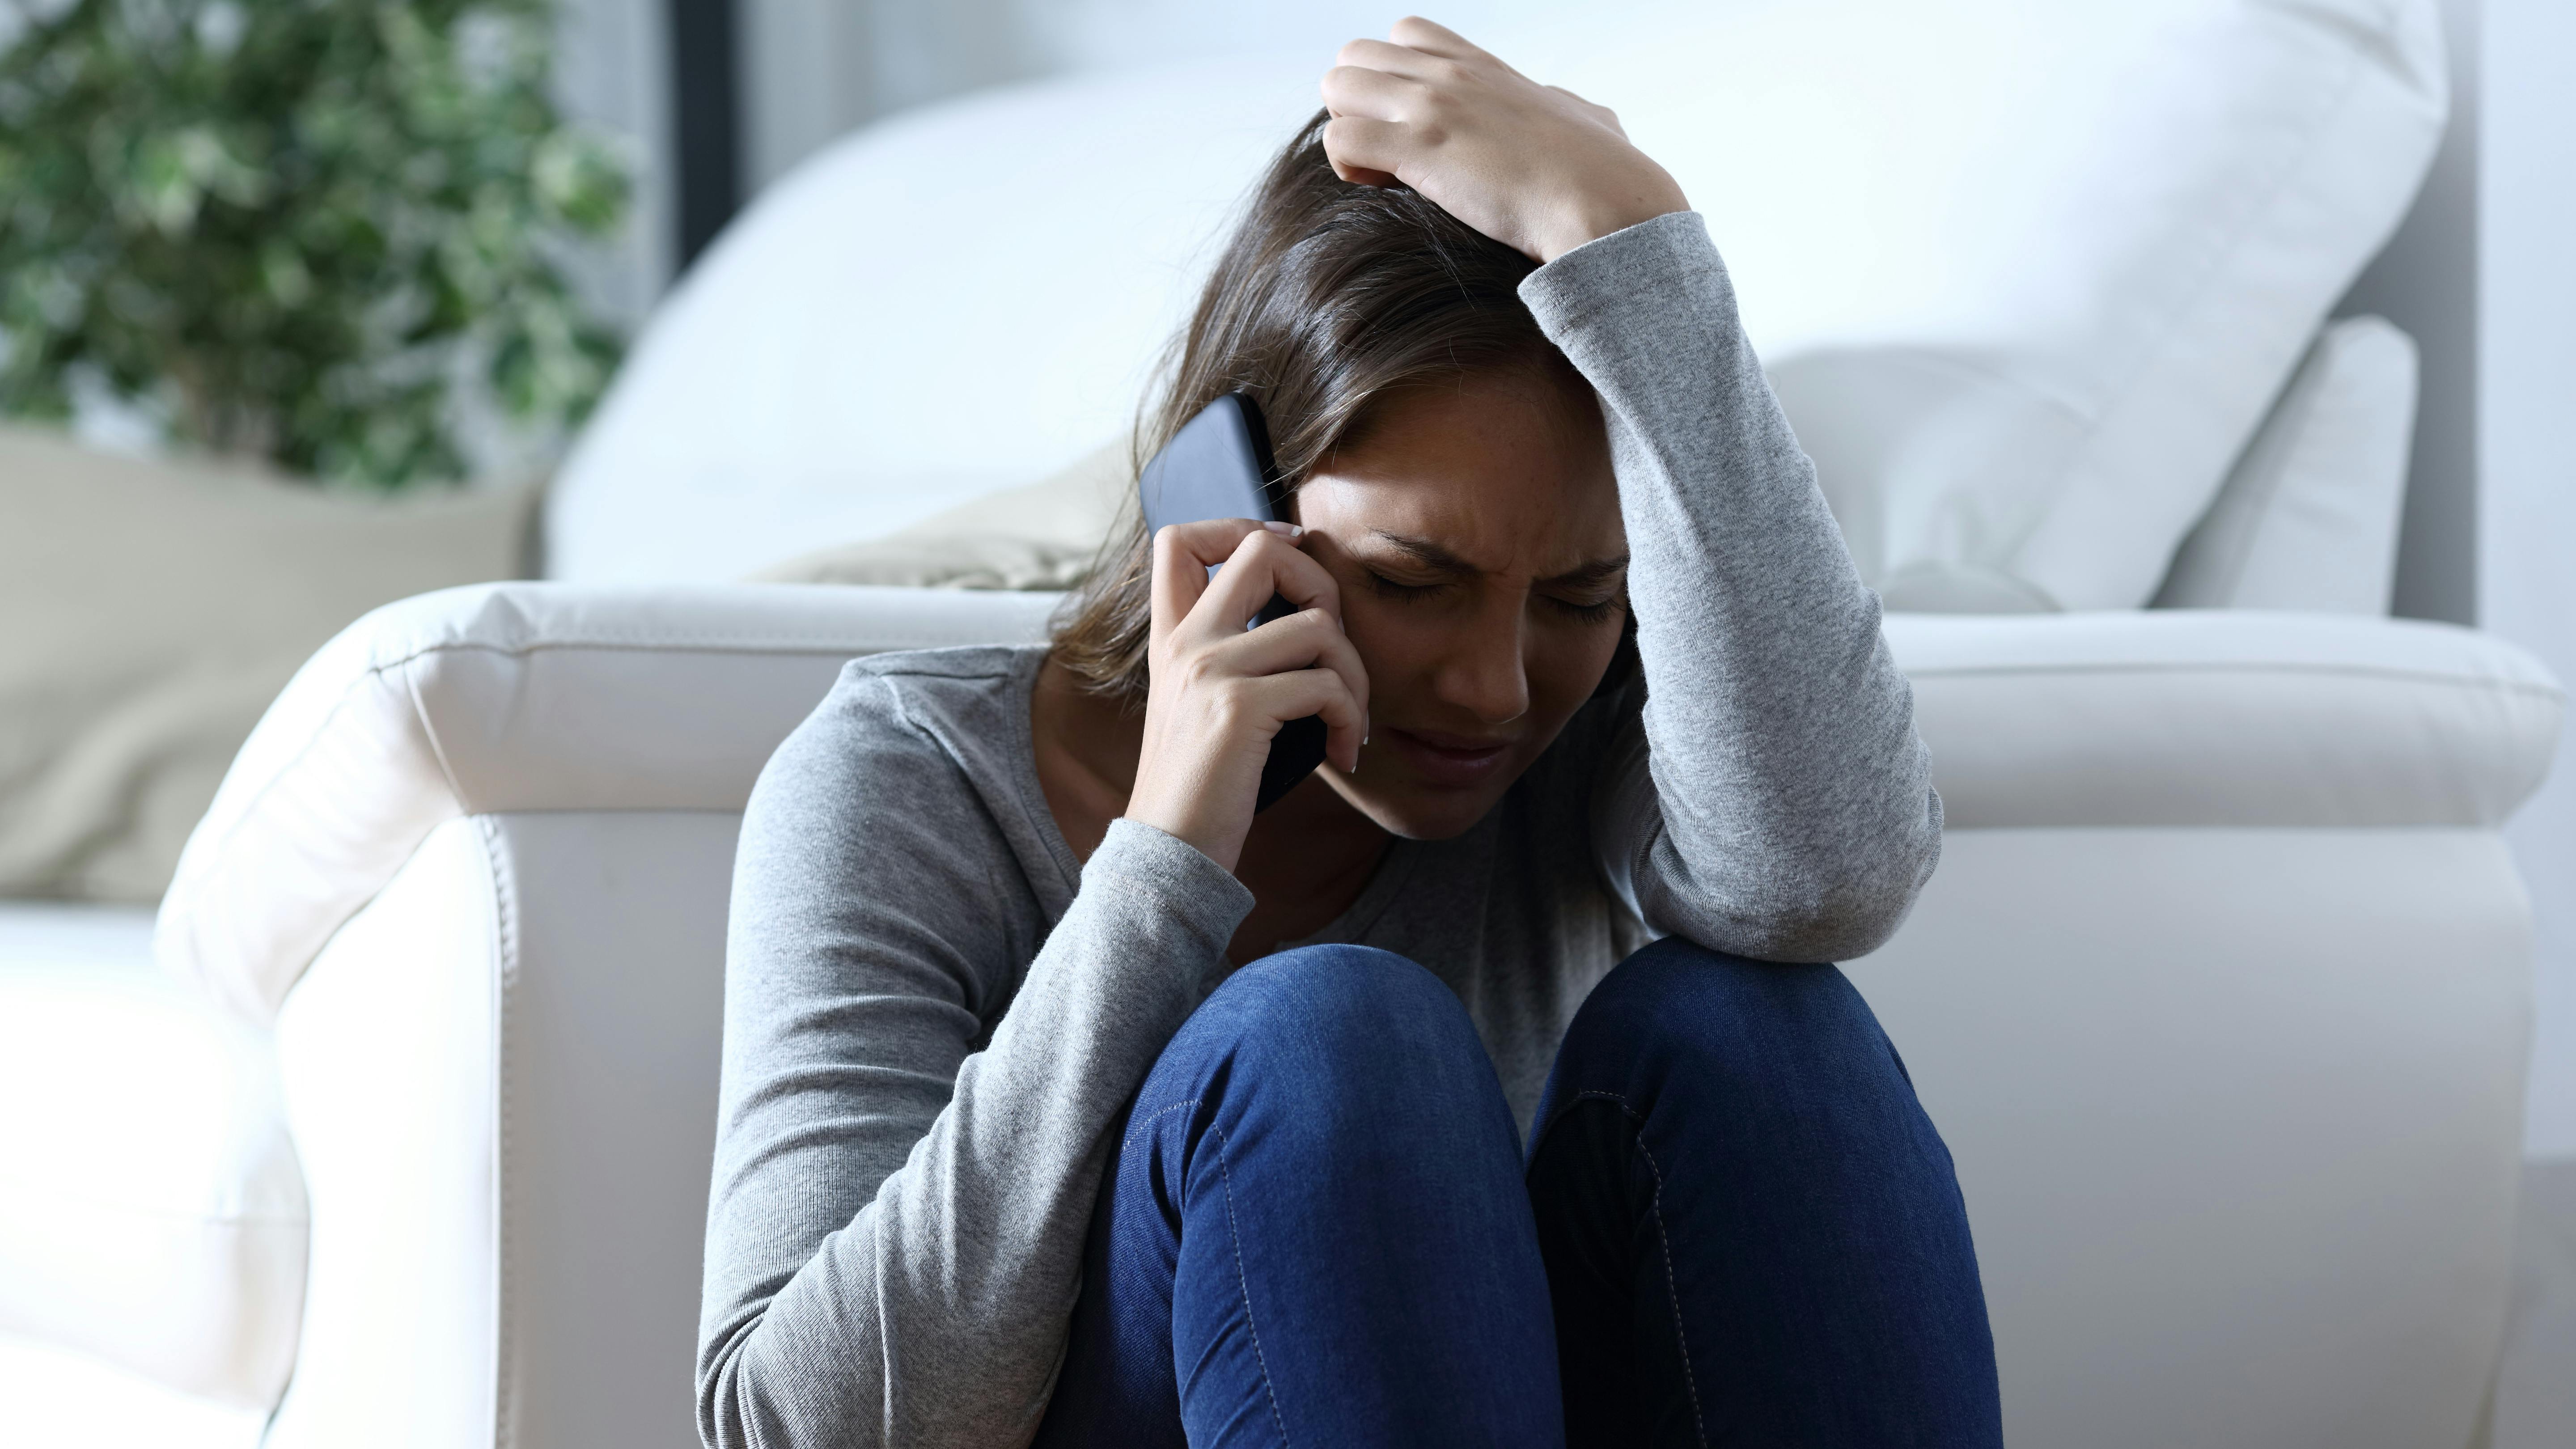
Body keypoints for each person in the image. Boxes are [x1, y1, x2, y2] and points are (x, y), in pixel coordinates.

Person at [698, 18, 2000, 1448]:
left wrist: (1635, 244)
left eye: (1579, 597)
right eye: (1411, 583)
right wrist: (1165, 863)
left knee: (1759, 1025)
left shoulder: (1590, 746)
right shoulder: (908, 780)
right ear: (1228, 508)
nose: (1495, 691)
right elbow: (803, 1427)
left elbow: (1827, 882)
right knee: (1324, 1033)